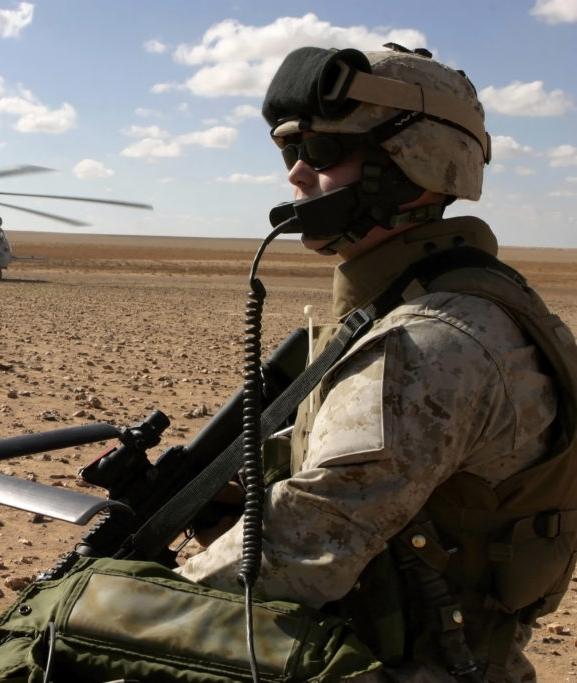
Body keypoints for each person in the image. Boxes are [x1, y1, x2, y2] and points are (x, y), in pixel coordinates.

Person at [174, 43, 577, 681]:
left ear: (413, 162)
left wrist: (120, 589)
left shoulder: (429, 343)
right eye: (291, 151)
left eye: (324, 151)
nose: (297, 175)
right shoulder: (456, 299)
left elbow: (297, 551)